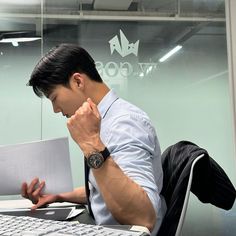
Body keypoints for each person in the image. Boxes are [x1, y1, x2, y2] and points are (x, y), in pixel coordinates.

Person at [21, 44, 166, 235]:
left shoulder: (124, 124)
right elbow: (105, 190)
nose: (55, 109)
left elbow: (142, 218)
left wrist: (90, 143)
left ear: (78, 82)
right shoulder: (103, 120)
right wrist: (58, 196)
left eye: (54, 98)